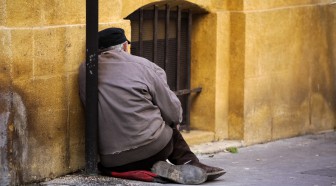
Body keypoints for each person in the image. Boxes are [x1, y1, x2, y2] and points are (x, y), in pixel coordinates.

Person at [78, 27, 225, 184]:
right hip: (154, 149)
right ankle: (191, 164)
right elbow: (173, 112)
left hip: (112, 160)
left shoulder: (85, 70)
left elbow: (90, 106)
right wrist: (173, 122)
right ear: (125, 46)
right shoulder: (144, 66)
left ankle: (151, 168)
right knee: (169, 123)